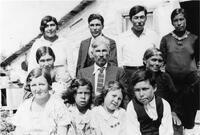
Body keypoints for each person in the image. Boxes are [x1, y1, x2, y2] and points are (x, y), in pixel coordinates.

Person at [160, 8, 200, 132]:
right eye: (175, 20)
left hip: (190, 84)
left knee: (189, 119)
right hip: (171, 84)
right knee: (173, 117)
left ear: (186, 20)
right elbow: (161, 60)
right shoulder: (166, 39)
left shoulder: (195, 38)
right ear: (172, 23)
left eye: (181, 19)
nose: (179, 23)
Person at [12, 68, 70, 135]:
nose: (38, 89)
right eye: (33, 85)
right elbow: (18, 131)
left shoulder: (57, 105)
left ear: (49, 85)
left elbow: (62, 132)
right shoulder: (25, 106)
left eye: (41, 84)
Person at [77, 36, 128, 108]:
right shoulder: (82, 73)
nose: (101, 55)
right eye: (98, 51)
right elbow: (79, 97)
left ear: (109, 53)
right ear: (92, 53)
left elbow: (124, 97)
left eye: (104, 51)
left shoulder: (118, 72)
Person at [143, 47, 182, 134]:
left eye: (160, 61)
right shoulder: (139, 76)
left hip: (164, 112)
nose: (157, 63)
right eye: (153, 60)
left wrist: (174, 112)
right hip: (143, 112)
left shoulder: (165, 77)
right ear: (145, 60)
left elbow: (175, 97)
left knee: (176, 129)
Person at [117, 5, 159, 80]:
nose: (139, 21)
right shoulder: (122, 37)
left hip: (148, 72)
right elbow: (119, 61)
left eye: (142, 17)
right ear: (130, 19)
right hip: (128, 74)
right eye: (136, 18)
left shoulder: (153, 35)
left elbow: (158, 57)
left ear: (146, 18)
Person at [126, 69, 173, 135]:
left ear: (154, 88)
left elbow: (167, 132)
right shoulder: (132, 106)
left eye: (145, 89)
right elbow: (133, 132)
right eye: (137, 90)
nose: (141, 94)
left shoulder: (164, 104)